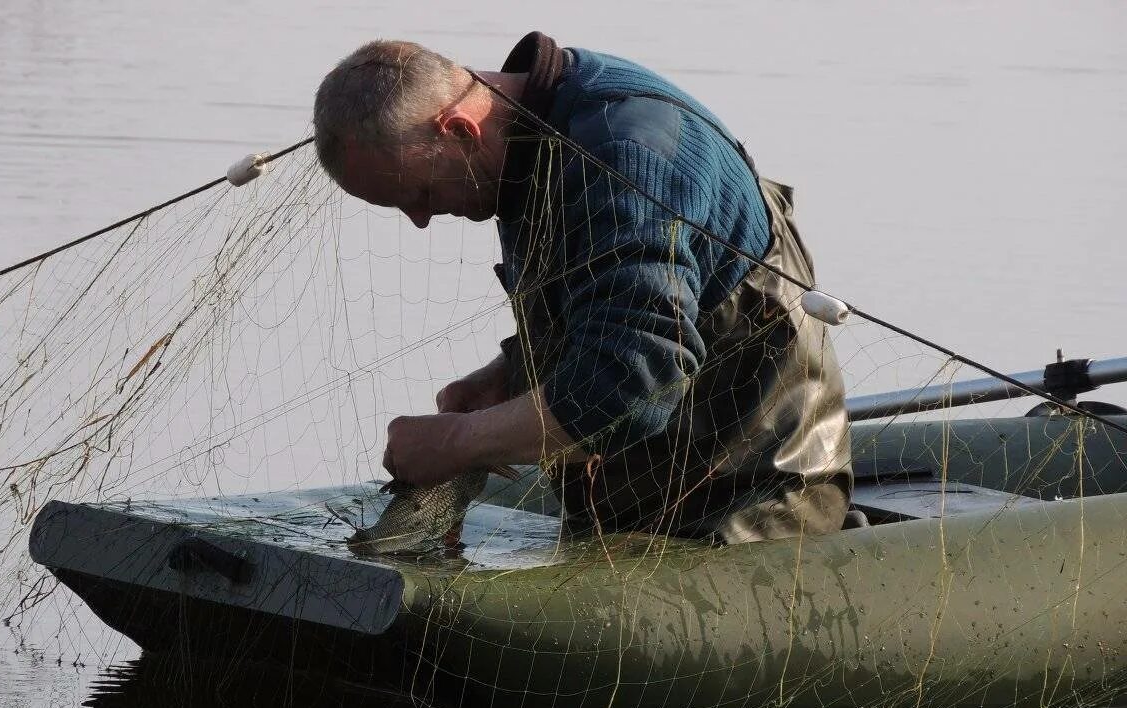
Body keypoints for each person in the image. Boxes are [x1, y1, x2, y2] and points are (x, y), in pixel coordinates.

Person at [312, 32, 852, 542]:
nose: (420, 219)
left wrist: (457, 444)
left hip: (753, 502)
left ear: (459, 129)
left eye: (420, 192)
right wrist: (509, 375)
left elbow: (637, 383)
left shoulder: (623, 157)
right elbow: (606, 306)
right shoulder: (526, 135)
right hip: (638, 494)